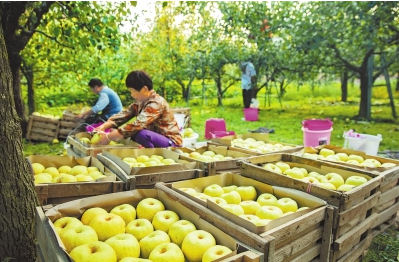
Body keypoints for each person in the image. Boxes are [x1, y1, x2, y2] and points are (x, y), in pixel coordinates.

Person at [94, 70, 182, 148]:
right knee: (126, 133)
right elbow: (122, 116)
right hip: (157, 139)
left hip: (171, 143)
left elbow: (138, 124)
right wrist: (103, 127)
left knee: (141, 134)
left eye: (133, 91)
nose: (132, 95)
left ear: (144, 89)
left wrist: (110, 136)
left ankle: (151, 154)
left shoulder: (157, 103)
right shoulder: (139, 103)